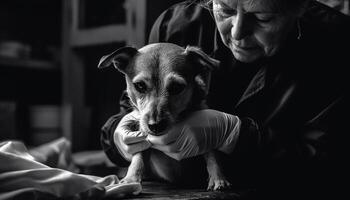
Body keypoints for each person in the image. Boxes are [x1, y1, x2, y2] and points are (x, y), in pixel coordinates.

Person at [101, 0, 349, 198]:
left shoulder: (338, 44)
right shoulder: (176, 24)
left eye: (263, 18)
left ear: (301, 7)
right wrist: (116, 136)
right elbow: (129, 109)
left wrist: (237, 135)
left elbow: (331, 168)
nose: (238, 32)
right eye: (225, 9)